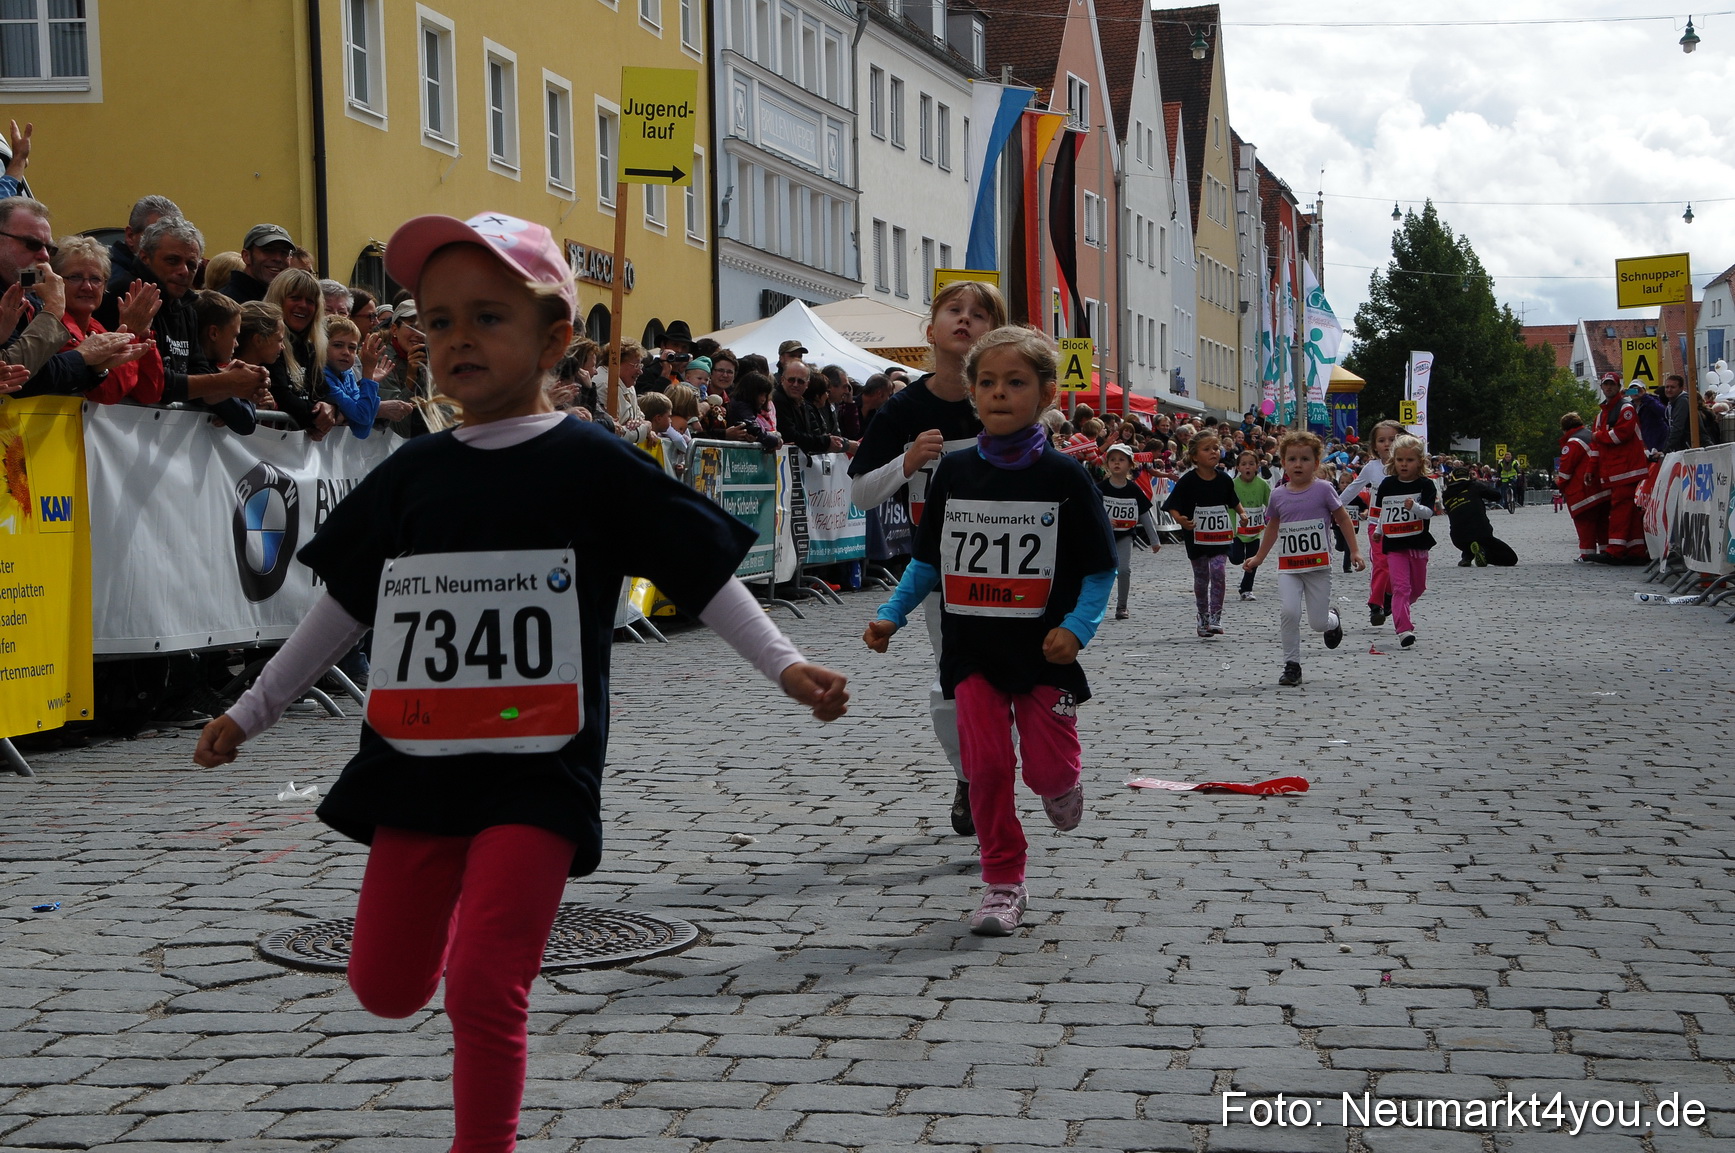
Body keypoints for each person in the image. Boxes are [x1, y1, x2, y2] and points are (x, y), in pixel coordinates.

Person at [193, 209, 848, 1153]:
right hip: (416, 762)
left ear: (554, 339)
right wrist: (251, 710)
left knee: (486, 987)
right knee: (382, 985)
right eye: (441, 318)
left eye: (489, 317)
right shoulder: (410, 472)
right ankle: (463, 927)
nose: (460, 338)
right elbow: (345, 607)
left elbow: (700, 575)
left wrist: (786, 665)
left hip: (540, 763)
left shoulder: (593, 461)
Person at [862, 325, 1116, 935]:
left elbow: (1100, 566)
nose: (1000, 393)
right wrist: (891, 615)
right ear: (972, 395)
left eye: (1016, 382)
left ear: (1047, 393)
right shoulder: (952, 474)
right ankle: (1003, 881)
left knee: (1044, 772)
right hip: (970, 648)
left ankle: (1061, 785)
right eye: (987, 383)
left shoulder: (1063, 477)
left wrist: (1077, 629)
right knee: (987, 767)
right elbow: (927, 561)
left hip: (1044, 651)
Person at [847, 280, 1005, 836]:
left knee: (1007, 678)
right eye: (953, 311)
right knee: (954, 678)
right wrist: (907, 462)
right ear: (931, 328)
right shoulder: (904, 408)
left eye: (979, 314)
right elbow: (860, 493)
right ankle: (970, 778)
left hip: (1015, 570)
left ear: (996, 331)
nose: (965, 320)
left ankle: (998, 768)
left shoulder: (1006, 396)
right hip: (940, 569)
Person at [96, 216, 269, 420]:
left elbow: (198, 371)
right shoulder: (127, 295)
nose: (184, 271)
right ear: (144, 257)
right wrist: (225, 382)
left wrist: (237, 384)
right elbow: (156, 384)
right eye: (172, 260)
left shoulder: (186, 304)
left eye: (192, 264)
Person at [1242, 431, 1361, 686]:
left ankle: (1333, 619)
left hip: (1318, 566)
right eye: (1292, 459)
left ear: (1316, 464)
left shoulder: (1324, 489)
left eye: (1305, 459)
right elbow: (1273, 527)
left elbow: (1342, 519)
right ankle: (1292, 665)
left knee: (1318, 623)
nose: (1298, 464)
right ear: (1283, 462)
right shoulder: (1278, 495)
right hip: (1289, 567)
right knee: (1289, 612)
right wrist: (1259, 557)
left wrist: (1355, 550)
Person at [49, 234, 164, 405]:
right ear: (56, 280)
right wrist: (130, 331)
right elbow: (107, 392)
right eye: (75, 277)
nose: (87, 286)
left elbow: (150, 393)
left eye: (95, 279)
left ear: (105, 286)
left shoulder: (97, 329)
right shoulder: (51, 326)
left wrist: (142, 334)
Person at [1162, 432, 1241, 638]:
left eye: (1216, 448)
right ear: (1195, 456)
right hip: (1196, 535)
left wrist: (1242, 513)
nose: (1213, 452)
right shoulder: (1188, 480)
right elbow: (1172, 505)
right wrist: (1180, 520)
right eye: (1207, 449)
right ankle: (1202, 615)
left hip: (1220, 535)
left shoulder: (1224, 478)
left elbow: (1233, 499)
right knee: (1201, 577)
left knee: (1218, 571)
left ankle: (1216, 616)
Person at [1372, 435, 1439, 649]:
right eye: (1400, 459)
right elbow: (1384, 511)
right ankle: (1403, 629)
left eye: (1409, 460)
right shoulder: (1388, 484)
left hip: (1418, 542)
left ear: (1420, 462)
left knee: (1417, 588)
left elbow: (1428, 513)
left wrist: (1414, 508)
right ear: (1394, 460)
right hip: (1394, 544)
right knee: (1402, 587)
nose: (1404, 464)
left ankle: (1397, 604)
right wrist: (1379, 530)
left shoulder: (1426, 485)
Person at [264, 267, 334, 435]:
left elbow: (323, 391)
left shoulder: (312, 346)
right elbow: (281, 394)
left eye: (310, 301)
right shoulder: (268, 343)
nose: (303, 305)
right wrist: (317, 416)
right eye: (295, 298)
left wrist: (331, 408)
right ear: (278, 300)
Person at [1591, 372, 1649, 563]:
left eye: (1612, 385)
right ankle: (1636, 550)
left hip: (1626, 468)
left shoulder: (1625, 408)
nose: (1608, 388)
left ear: (1618, 387)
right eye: (1605, 385)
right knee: (1630, 512)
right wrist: (1591, 469)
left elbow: (1620, 435)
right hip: (1617, 470)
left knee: (1619, 509)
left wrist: (1600, 435)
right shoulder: (1602, 414)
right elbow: (1597, 447)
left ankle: (1615, 550)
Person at [1098, 442, 1155, 620]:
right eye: (1113, 459)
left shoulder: (1133, 489)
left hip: (1125, 536)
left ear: (1130, 464)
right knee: (1100, 571)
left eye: (1121, 460)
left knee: (1123, 570)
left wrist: (1155, 540)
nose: (1117, 463)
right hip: (1103, 537)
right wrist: (1104, 520)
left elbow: (1145, 514)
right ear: (1107, 464)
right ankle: (1095, 605)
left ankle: (1122, 606)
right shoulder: (1100, 488)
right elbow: (1090, 511)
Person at [102, 195, 181, 307]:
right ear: (130, 236)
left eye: (175, 238)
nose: (167, 246)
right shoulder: (113, 282)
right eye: (155, 236)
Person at [1556, 411, 1610, 563]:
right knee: (1603, 524)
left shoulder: (1573, 442)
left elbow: (1566, 468)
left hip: (1584, 491)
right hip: (1603, 488)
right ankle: (1606, 553)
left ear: (1564, 429)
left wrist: (1560, 482)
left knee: (1585, 524)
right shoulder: (1591, 435)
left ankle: (1587, 555)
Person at [1442, 465, 1516, 567]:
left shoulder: (1445, 495)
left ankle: (1467, 557)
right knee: (1511, 558)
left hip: (1458, 538)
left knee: (1467, 533)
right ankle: (1484, 554)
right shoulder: (1474, 486)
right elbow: (1496, 496)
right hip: (1481, 533)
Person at [321, 315, 382, 437]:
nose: (346, 352)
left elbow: (362, 430)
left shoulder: (347, 374)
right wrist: (368, 372)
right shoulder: (323, 378)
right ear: (321, 345)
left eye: (352, 347)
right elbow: (363, 416)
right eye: (338, 345)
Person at [771, 359, 841, 456]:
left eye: (800, 381)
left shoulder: (803, 403)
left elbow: (809, 433)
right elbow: (790, 435)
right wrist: (825, 441)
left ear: (807, 384)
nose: (795, 384)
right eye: (791, 380)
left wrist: (823, 439)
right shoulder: (777, 399)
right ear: (782, 379)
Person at [1230, 448, 1271, 601]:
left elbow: (1270, 504)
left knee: (1252, 562)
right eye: (1244, 464)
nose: (1247, 467)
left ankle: (1246, 589)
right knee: (1236, 558)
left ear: (1257, 466)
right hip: (1236, 531)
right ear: (1238, 467)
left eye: (1251, 464)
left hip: (1254, 532)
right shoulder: (1232, 484)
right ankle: (1226, 549)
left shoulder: (1262, 485)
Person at [222, 224, 296, 303]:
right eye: (269, 250)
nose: (277, 258)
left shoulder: (290, 302)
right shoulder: (225, 304)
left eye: (284, 252)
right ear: (246, 256)